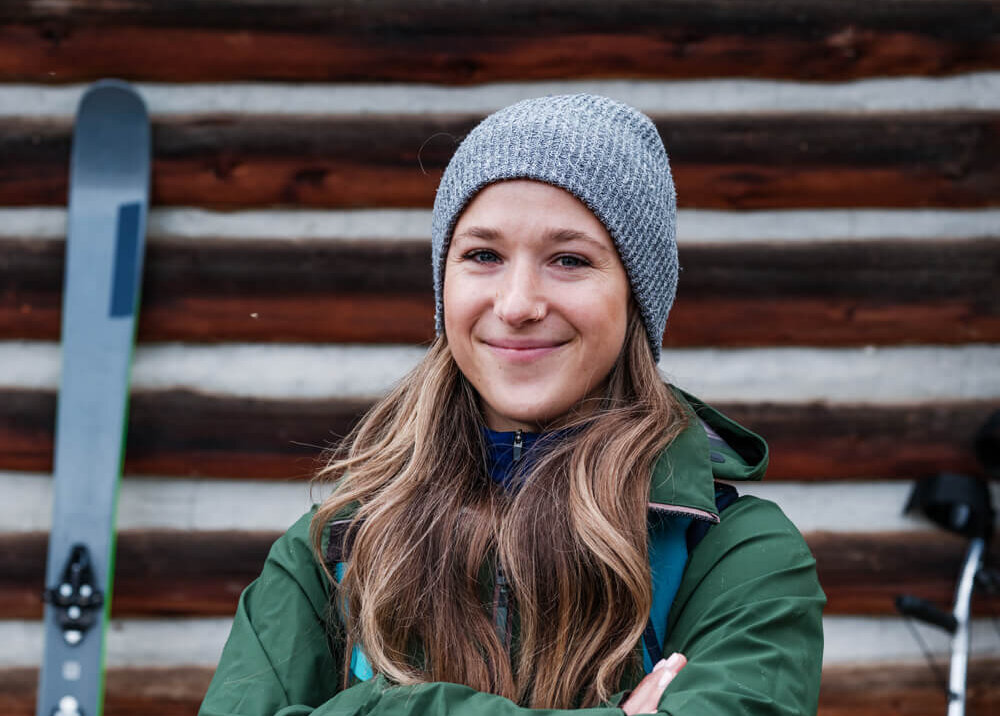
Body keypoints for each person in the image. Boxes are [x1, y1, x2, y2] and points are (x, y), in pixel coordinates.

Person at [198, 94, 825, 716]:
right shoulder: (337, 548)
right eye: (483, 255)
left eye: (569, 260)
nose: (518, 303)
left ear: (637, 297)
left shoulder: (733, 554)